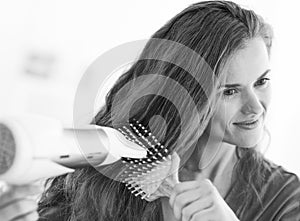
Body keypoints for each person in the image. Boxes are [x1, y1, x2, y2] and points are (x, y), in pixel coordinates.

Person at [1, 1, 299, 220]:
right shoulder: (106, 171)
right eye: (230, 91)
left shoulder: (286, 199)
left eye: (261, 82)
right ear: (188, 96)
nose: (256, 106)